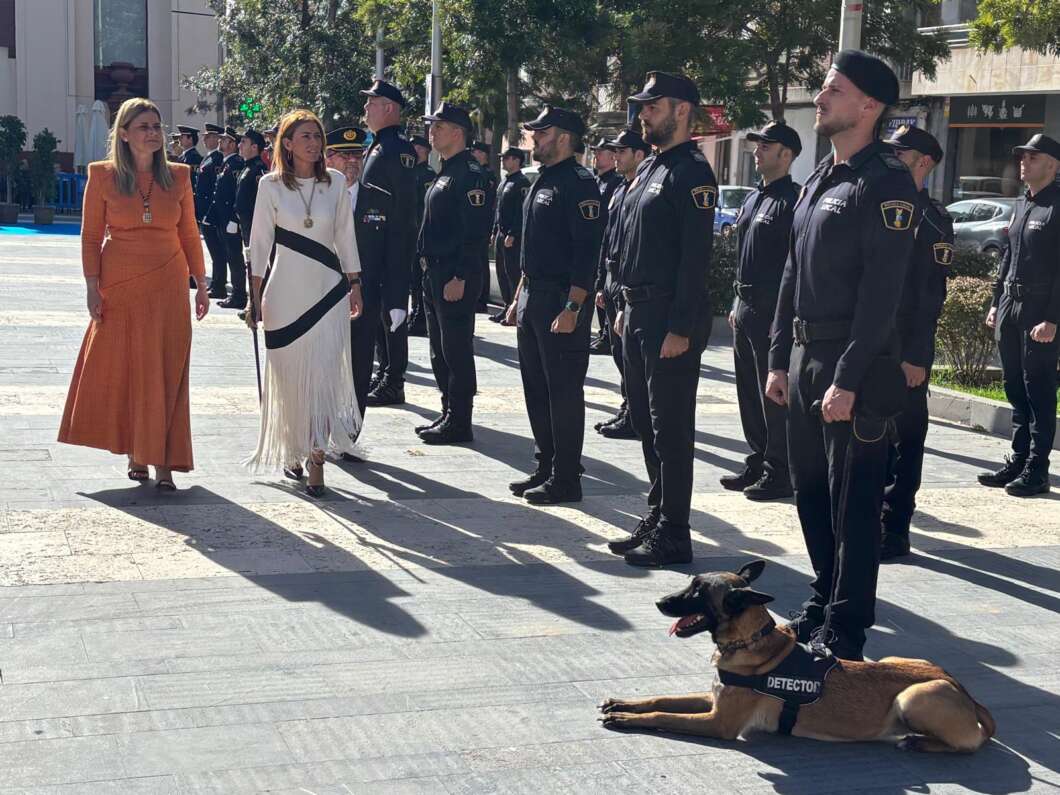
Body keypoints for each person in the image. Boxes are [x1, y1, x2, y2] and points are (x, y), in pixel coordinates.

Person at [764, 51, 919, 661]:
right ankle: (823, 594)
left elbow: (883, 296)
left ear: (869, 105)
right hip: (804, 357)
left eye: (833, 89)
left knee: (852, 498)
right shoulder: (821, 180)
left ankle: (848, 624)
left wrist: (849, 377)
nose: (820, 98)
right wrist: (779, 358)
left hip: (850, 362)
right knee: (808, 489)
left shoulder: (887, 182)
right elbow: (790, 274)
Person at [58, 97, 210, 490]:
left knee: (166, 367)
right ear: (124, 134)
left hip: (168, 283)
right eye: (143, 126)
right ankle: (136, 452)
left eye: (157, 126)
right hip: (120, 283)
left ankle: (165, 462)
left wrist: (201, 282)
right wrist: (92, 286)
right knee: (129, 370)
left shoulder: (179, 176)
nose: (153, 133)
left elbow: (189, 232)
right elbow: (91, 236)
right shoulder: (103, 176)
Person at [606, 72, 717, 567]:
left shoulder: (692, 172)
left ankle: (675, 531)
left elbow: (696, 260)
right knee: (649, 426)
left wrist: (681, 327)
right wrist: (623, 307)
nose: (643, 114)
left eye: (653, 106)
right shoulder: (652, 168)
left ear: (681, 110)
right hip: (638, 312)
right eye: (643, 106)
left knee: (671, 427)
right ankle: (658, 513)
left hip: (668, 317)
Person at [245, 110, 364, 497]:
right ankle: (292, 446)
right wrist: (254, 297)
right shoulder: (270, 186)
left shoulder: (338, 184)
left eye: (316, 135)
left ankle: (316, 459)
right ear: (287, 143)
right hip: (283, 298)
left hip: (328, 294)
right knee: (291, 381)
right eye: (304, 136)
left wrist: (355, 283)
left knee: (324, 379)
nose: (313, 142)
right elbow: (260, 243)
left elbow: (346, 238)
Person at [504, 107, 604, 504]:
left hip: (562, 299)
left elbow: (586, 252)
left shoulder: (580, 183)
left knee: (562, 391)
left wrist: (574, 307)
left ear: (563, 136)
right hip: (533, 297)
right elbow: (534, 250)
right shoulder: (543, 180)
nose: (533, 140)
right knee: (536, 388)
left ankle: (566, 477)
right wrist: (517, 297)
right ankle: (545, 465)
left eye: (540, 134)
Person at [879, 125, 952, 559]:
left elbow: (930, 296)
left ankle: (895, 528)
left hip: (905, 349)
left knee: (905, 442)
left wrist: (917, 356)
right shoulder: (884, 207)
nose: (893, 159)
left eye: (901, 154)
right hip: (872, 345)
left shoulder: (930, 219)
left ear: (924, 162)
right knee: (871, 440)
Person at [722, 121, 801, 501]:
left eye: (766, 147)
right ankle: (758, 458)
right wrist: (736, 301)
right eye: (758, 145)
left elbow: (795, 267)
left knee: (772, 395)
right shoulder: (754, 198)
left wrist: (783, 318)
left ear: (786, 155)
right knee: (748, 393)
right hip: (747, 306)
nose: (758, 151)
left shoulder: (793, 202)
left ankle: (780, 470)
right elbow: (743, 259)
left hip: (772, 310)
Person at [980, 133, 1060, 497]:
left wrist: (1053, 319)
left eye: (1032, 157)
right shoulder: (1021, 203)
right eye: (1022, 157)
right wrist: (996, 302)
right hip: (1011, 308)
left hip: (1039, 314)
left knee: (1037, 390)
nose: (1023, 162)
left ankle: (1037, 468)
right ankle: (1018, 456)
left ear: (1053, 165)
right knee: (1013, 387)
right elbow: (1008, 259)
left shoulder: (1056, 206)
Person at [416, 102, 492, 444]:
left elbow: (474, 232)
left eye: (439, 126)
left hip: (453, 274)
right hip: (435, 272)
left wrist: (460, 276)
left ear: (458, 132)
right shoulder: (445, 171)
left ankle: (461, 420)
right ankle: (448, 410)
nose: (432, 132)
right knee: (439, 348)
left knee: (456, 348)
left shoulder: (471, 174)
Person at [347, 79, 418, 415]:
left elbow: (402, 221)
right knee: (369, 330)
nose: (365, 109)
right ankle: (384, 373)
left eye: (371, 103)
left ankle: (393, 377)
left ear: (389, 108)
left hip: (383, 261)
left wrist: (397, 287)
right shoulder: (376, 147)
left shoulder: (398, 151)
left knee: (388, 321)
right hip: (367, 259)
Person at [593, 128, 651, 442]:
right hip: (613, 277)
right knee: (619, 353)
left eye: (622, 151)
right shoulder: (619, 190)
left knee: (629, 355)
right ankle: (628, 406)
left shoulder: (642, 191)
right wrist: (603, 283)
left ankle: (635, 413)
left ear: (639, 155)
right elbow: (608, 239)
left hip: (630, 283)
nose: (615, 156)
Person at [590, 137, 625, 355]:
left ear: (612, 157)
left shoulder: (615, 183)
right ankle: (603, 334)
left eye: (600, 153)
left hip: (606, 242)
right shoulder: (597, 180)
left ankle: (606, 335)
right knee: (598, 288)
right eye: (595, 152)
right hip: (595, 243)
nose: (596, 156)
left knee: (605, 291)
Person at [489, 146, 530, 324]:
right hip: (500, 233)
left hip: (512, 236)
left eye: (506, 158)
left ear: (516, 160)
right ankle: (506, 306)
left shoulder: (521, 183)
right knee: (501, 272)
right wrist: (494, 231)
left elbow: (521, 212)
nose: (503, 161)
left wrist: (513, 233)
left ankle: (515, 309)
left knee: (513, 272)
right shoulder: (505, 181)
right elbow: (498, 210)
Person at [203, 127, 244, 305]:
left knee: (234, 258)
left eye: (224, 140)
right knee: (227, 255)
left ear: (232, 144)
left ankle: (239, 294)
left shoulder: (236, 164)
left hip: (229, 219)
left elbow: (236, 194)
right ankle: (233, 292)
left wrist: (234, 219)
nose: (220, 142)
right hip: (221, 218)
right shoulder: (227, 163)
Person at [233, 128, 269, 311]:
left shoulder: (258, 170)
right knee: (251, 264)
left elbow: (258, 202)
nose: (239, 145)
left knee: (257, 266)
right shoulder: (246, 167)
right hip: (246, 226)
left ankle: (257, 304)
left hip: (255, 226)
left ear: (254, 147)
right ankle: (253, 302)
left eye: (244, 142)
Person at [407, 133, 436, 336]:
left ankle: (420, 318)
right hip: (409, 231)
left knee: (419, 277)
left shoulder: (427, 174)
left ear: (426, 151)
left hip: (420, 231)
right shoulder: (410, 171)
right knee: (412, 277)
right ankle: (415, 314)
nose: (415, 151)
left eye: (419, 148)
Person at [194, 123, 225, 296]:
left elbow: (215, 188)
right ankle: (216, 282)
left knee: (218, 250)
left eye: (208, 136)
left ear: (216, 138)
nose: (204, 139)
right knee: (213, 250)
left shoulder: (218, 159)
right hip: (204, 210)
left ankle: (219, 284)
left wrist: (209, 213)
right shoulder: (208, 158)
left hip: (212, 212)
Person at [470, 141, 498, 313]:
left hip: (483, 223)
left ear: (483, 155)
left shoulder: (487, 175)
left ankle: (482, 298)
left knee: (481, 263)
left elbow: (488, 203)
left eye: (476, 152)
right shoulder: (476, 172)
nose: (473, 154)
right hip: (476, 223)